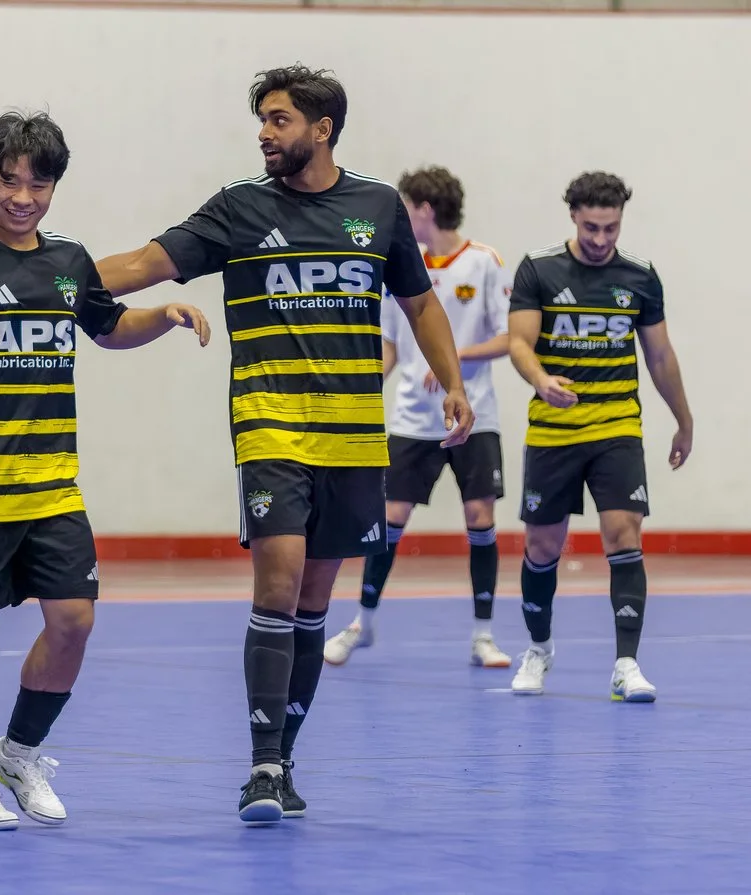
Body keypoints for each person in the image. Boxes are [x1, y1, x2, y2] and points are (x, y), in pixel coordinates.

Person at [95, 65, 473, 824]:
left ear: (321, 129)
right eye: (261, 120)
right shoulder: (239, 208)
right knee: (278, 581)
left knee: (311, 601)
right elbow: (143, 263)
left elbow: (420, 303)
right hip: (270, 426)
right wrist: (46, 277)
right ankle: (261, 767)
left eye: (277, 120)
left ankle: (285, 761)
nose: (264, 133)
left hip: (354, 437)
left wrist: (451, 379)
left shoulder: (376, 209)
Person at [0, 110, 209, 831]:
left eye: (38, 184)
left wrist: (162, 315)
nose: (22, 197)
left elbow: (106, 326)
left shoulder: (68, 261)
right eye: (9, 181)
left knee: (74, 621)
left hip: (52, 482)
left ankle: (19, 753)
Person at [507, 171, 693, 701]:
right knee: (543, 545)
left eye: (610, 229)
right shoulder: (538, 269)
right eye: (591, 227)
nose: (600, 239)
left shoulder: (639, 276)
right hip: (553, 430)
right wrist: (541, 380)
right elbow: (520, 343)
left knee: (623, 534)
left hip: (616, 427)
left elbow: (659, 355)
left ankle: (627, 664)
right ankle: (539, 649)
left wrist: (684, 420)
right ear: (574, 216)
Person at [324, 166, 512, 669]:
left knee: (481, 517)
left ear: (425, 210)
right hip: (411, 420)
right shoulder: (400, 265)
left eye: (407, 208)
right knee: (390, 519)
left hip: (474, 417)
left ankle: (483, 635)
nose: (404, 217)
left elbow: (510, 338)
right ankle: (362, 622)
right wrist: (363, 384)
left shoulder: (485, 262)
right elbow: (390, 343)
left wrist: (453, 360)